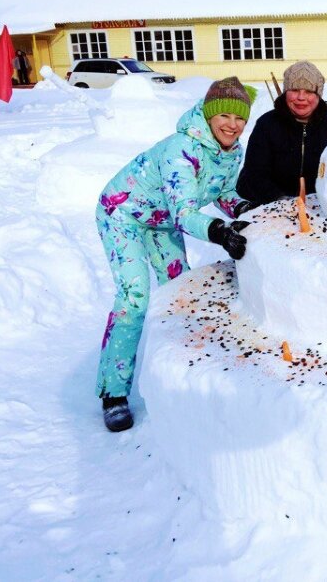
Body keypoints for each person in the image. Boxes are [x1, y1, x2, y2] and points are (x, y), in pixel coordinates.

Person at [95, 77, 255, 432]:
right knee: (134, 299)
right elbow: (185, 213)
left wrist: (247, 210)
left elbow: (223, 191)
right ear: (209, 115)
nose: (232, 124)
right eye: (224, 116)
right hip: (123, 215)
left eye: (240, 118)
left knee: (180, 291)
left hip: (160, 219)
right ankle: (114, 392)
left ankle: (180, 373)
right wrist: (218, 232)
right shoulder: (181, 149)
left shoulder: (231, 150)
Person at [236, 60, 327, 207]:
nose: (301, 97)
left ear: (319, 95)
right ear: (286, 92)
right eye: (295, 90)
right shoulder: (267, 125)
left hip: (316, 208)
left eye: (309, 91)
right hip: (267, 205)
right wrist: (281, 201)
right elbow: (255, 173)